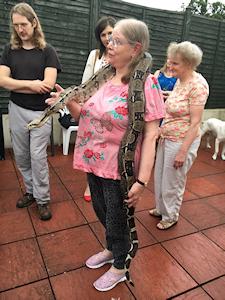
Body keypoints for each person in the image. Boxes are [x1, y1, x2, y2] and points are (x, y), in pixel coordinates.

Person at [47, 18, 165, 291]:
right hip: (93, 161)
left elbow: (151, 136)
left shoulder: (146, 85)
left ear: (135, 49)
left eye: (117, 40)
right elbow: (85, 117)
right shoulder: (102, 76)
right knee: (102, 212)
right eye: (109, 39)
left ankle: (121, 264)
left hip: (118, 168)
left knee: (117, 217)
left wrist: (142, 180)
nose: (109, 45)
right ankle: (113, 249)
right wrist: (68, 101)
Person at [0, 3, 61, 221]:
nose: (20, 29)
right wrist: (31, 85)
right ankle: (31, 192)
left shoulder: (48, 51)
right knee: (22, 156)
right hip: (16, 110)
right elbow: (2, 80)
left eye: (24, 24)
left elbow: (49, 83)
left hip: (40, 113)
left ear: (34, 23)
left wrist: (23, 84)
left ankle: (43, 199)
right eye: (16, 25)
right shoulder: (9, 50)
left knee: (38, 157)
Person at [149, 41, 209, 230]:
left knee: (172, 181)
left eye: (175, 63)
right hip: (167, 137)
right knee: (160, 177)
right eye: (169, 61)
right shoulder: (181, 80)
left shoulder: (198, 85)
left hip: (182, 141)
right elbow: (178, 105)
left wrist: (183, 152)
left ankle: (170, 215)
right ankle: (161, 208)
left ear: (189, 64)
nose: (169, 66)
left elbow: (195, 122)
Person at [81, 16, 116, 202]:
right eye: (103, 34)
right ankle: (90, 182)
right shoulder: (95, 55)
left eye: (110, 32)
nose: (107, 37)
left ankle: (106, 181)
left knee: (108, 146)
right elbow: (85, 81)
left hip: (113, 109)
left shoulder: (122, 54)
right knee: (90, 145)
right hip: (94, 107)